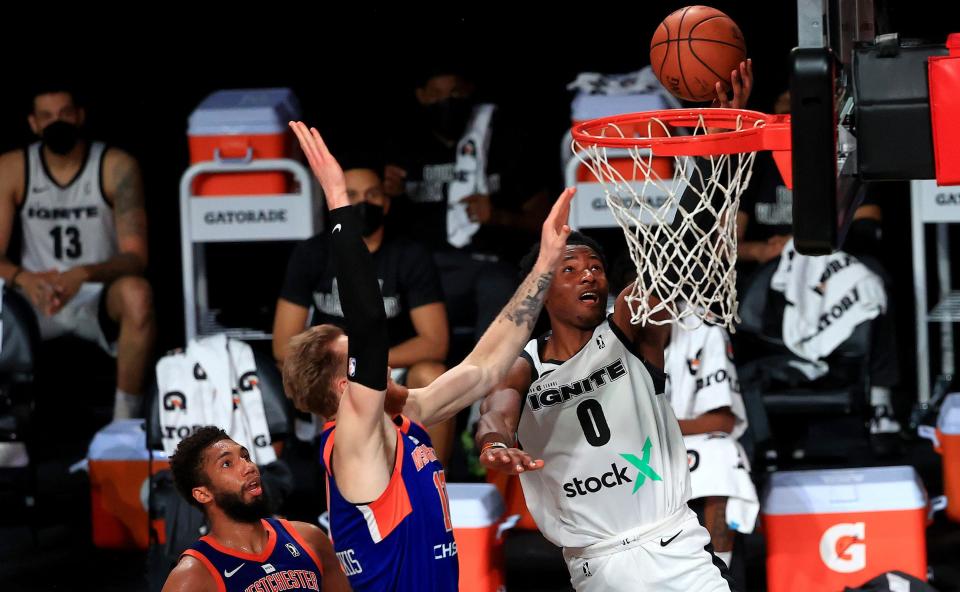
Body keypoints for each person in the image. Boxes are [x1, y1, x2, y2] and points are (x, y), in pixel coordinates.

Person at [473, 65, 755, 591]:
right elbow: (496, 409)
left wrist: (717, 144)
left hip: (676, 549)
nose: (589, 276)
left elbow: (683, 243)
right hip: (596, 565)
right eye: (570, 268)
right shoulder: (524, 364)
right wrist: (495, 442)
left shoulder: (628, 329)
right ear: (541, 287)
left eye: (596, 267)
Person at [281, 121, 574, 591]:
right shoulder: (352, 443)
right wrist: (339, 202)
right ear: (344, 387)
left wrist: (543, 264)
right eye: (360, 359)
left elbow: (485, 367)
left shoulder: (405, 416)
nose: (382, 362)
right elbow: (372, 328)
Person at [273, 161, 453, 462]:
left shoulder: (409, 255)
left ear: (385, 202)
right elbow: (282, 344)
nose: (362, 203)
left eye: (372, 195)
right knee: (310, 376)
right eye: (351, 195)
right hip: (333, 367)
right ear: (336, 201)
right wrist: (338, 366)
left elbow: (435, 342)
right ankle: (338, 485)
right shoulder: (311, 253)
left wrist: (366, 363)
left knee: (433, 373)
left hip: (391, 364)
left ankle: (437, 481)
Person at [0, 86, 154, 420]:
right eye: (47, 116)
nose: (57, 122)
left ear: (80, 116)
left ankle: (124, 424)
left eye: (65, 113)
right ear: (33, 123)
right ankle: (7, 426)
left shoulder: (115, 165)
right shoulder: (13, 167)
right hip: (36, 297)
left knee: (138, 294)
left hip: (94, 295)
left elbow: (136, 258)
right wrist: (24, 279)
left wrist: (82, 273)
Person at [384, 66, 552, 345]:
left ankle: (491, 381)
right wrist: (389, 196)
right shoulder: (405, 143)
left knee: (498, 284)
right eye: (437, 94)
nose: (447, 102)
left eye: (455, 93)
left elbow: (547, 218)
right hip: (422, 268)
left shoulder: (503, 141)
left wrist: (500, 216)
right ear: (421, 96)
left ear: (470, 92)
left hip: (486, 266)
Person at [161, 426, 350, 592]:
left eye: (245, 456)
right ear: (203, 494)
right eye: (227, 464)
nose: (249, 467)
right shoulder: (193, 574)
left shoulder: (310, 539)